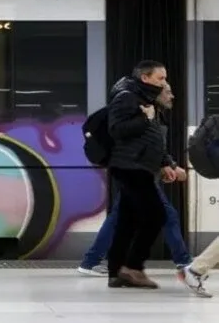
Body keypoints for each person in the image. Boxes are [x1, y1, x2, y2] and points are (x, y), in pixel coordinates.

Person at [77, 82, 190, 276]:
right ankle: (185, 263)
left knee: (118, 217)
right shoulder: (144, 114)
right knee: (167, 215)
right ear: (156, 94)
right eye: (168, 92)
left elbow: (154, 148)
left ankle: (89, 262)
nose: (172, 96)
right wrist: (169, 165)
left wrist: (166, 165)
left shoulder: (156, 115)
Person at [105, 60, 169, 289]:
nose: (164, 83)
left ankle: (116, 271)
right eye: (160, 78)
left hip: (139, 165)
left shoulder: (145, 98)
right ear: (145, 78)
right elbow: (116, 130)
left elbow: (150, 138)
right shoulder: (127, 96)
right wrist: (146, 118)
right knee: (156, 215)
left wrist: (166, 163)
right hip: (130, 166)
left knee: (127, 221)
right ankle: (133, 267)